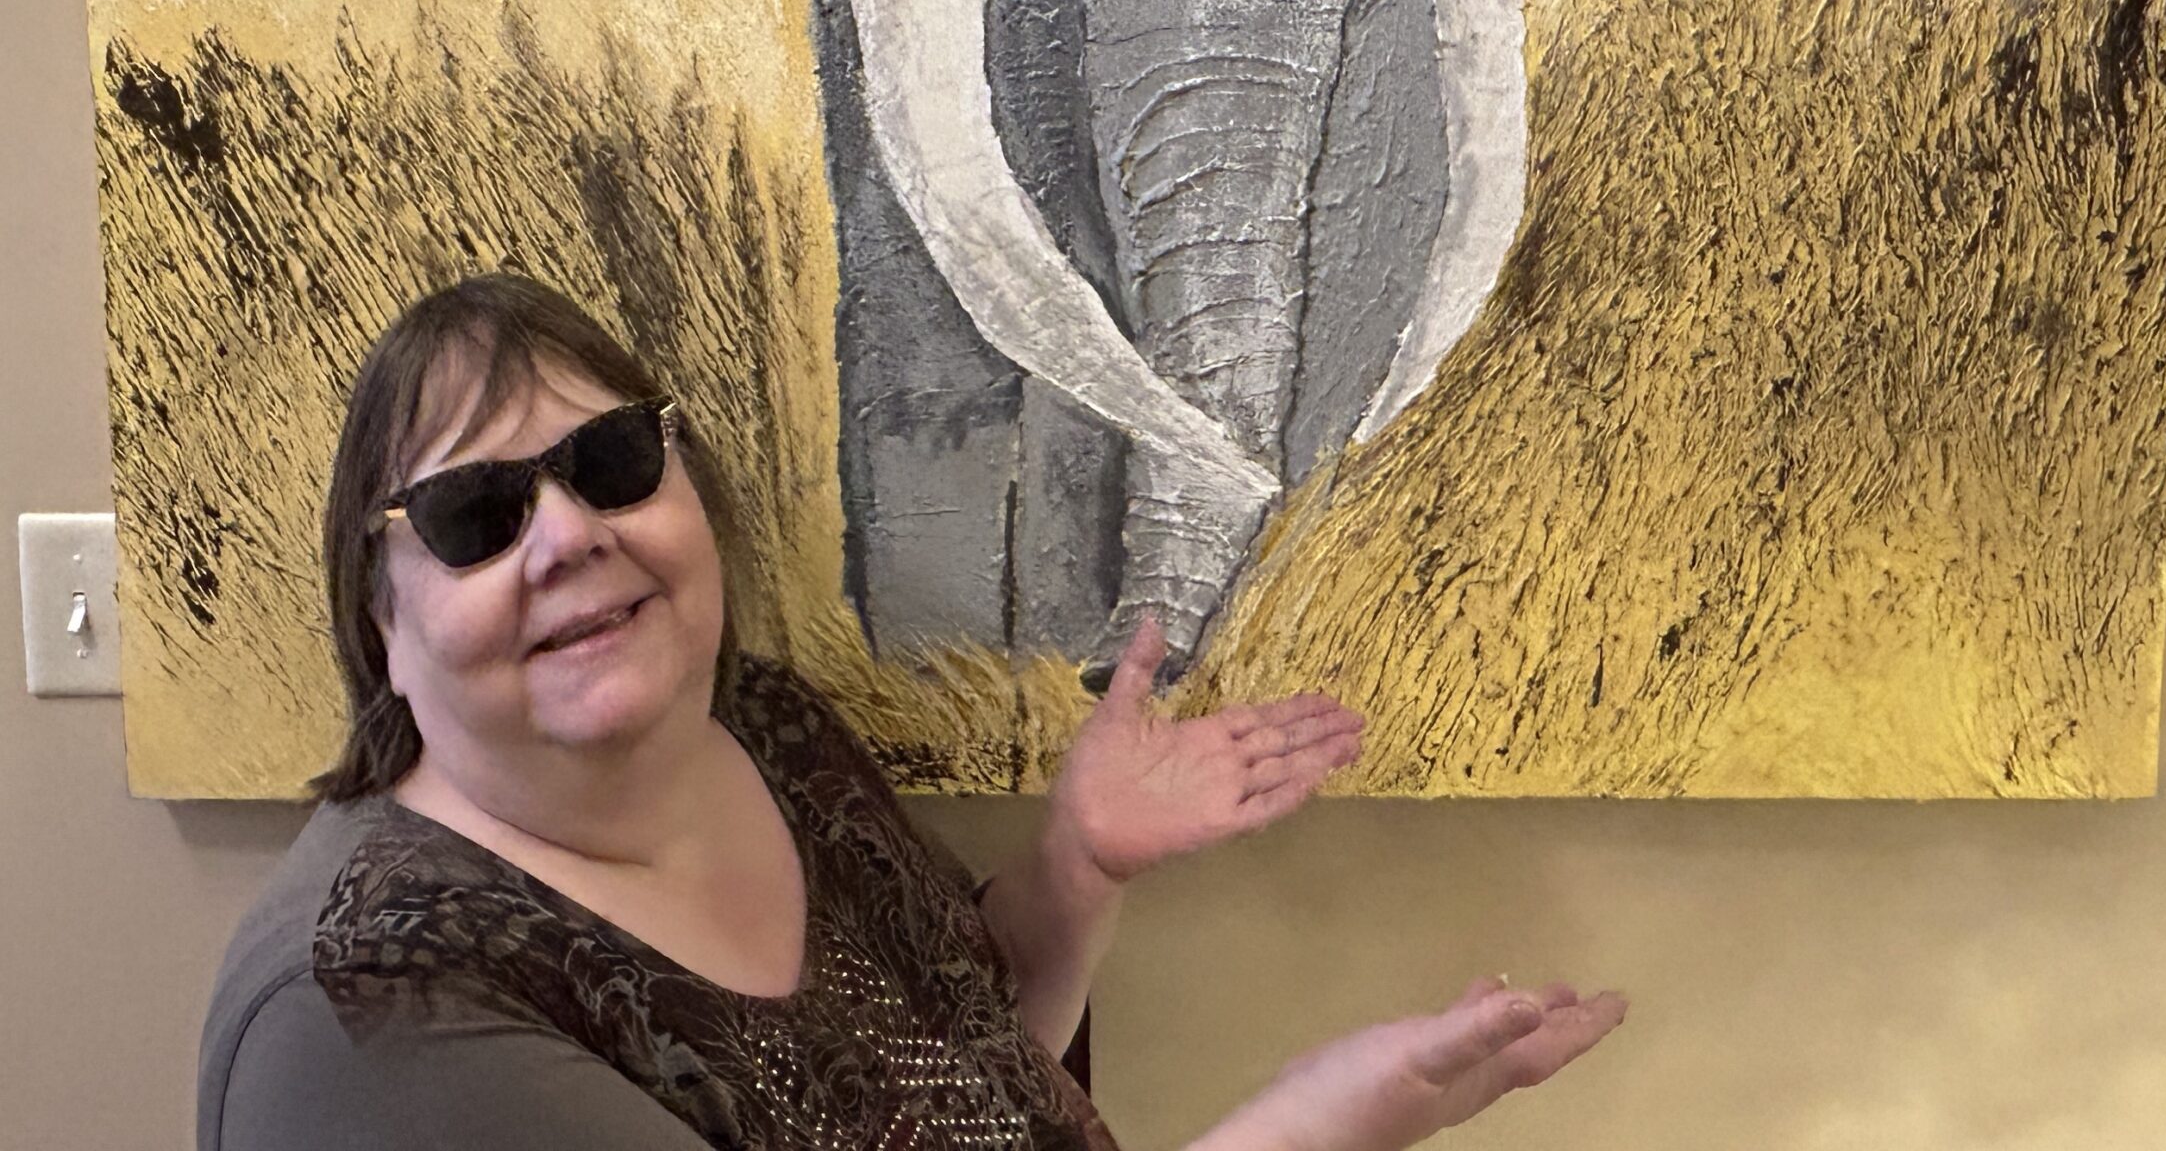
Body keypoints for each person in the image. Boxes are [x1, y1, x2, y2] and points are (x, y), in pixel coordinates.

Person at [200, 273, 1624, 1148]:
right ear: (380, 624)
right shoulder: (369, 1011)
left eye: (612, 461)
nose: (568, 534)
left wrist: (1077, 868)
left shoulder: (765, 732)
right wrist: (1314, 1127)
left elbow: (964, 1074)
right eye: (475, 514)